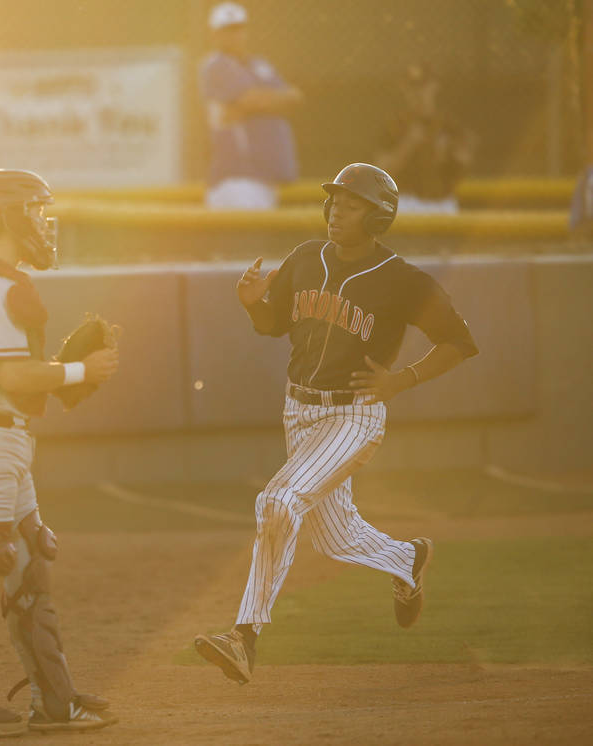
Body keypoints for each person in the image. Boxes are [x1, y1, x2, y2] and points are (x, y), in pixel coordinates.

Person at [193, 163, 478, 685]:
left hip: (354, 414)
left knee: (278, 501)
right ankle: (405, 558)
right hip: (299, 411)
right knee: (333, 536)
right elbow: (276, 325)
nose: (336, 211)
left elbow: (459, 341)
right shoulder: (304, 258)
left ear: (378, 216)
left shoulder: (401, 279)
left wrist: (404, 379)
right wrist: (253, 307)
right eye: (334, 201)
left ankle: (244, 637)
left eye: (350, 204)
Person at [0, 169, 120, 737]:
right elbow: (13, 375)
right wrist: (79, 370)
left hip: (4, 437)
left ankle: (55, 704)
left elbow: (17, 379)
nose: (43, 222)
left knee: (29, 564)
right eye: (35, 212)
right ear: (12, 217)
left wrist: (64, 378)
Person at [199, 1, 302, 210]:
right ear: (214, 35)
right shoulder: (215, 64)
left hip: (264, 180)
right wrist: (270, 100)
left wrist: (258, 103)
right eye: (226, 30)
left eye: (238, 28)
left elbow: (296, 97)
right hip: (237, 181)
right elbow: (252, 99)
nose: (234, 35)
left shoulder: (259, 64)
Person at [375, 64, 477, 214]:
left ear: (435, 86)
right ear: (404, 89)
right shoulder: (395, 126)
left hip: (442, 201)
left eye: (423, 86)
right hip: (406, 201)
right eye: (413, 87)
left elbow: (463, 166)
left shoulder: (450, 126)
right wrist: (408, 144)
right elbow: (382, 172)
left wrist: (449, 154)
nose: (418, 92)